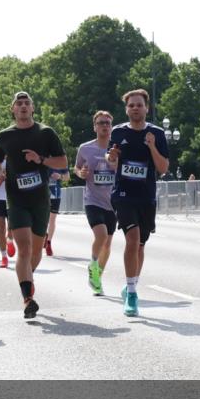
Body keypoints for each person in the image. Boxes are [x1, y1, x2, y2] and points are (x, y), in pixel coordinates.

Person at [0, 91, 67, 319]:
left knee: (35, 250)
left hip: (40, 199)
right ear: (13, 109)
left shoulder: (46, 133)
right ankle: (27, 299)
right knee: (23, 249)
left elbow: (63, 163)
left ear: (33, 108)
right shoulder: (5, 136)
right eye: (19, 103)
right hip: (17, 199)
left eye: (27, 103)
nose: (23, 106)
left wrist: (40, 160)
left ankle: (27, 279)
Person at [107, 89, 169, 317]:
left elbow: (163, 168)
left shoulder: (157, 133)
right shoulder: (118, 132)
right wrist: (112, 156)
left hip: (146, 196)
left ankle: (130, 285)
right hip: (123, 194)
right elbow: (110, 158)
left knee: (140, 245)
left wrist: (152, 146)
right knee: (131, 239)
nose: (135, 108)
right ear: (126, 109)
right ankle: (132, 293)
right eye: (131, 105)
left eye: (139, 105)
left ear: (146, 108)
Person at [74, 110, 118, 295]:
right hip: (92, 200)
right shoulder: (85, 148)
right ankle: (93, 265)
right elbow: (76, 168)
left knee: (107, 245)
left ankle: (97, 276)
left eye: (107, 123)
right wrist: (81, 173)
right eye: (101, 123)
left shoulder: (116, 148)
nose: (105, 126)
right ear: (95, 127)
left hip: (112, 202)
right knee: (100, 236)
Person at [45, 166, 69, 256]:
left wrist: (60, 177)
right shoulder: (43, 157)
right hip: (43, 194)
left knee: (52, 219)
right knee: (43, 219)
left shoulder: (60, 160)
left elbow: (67, 177)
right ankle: (44, 234)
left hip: (56, 194)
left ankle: (48, 243)